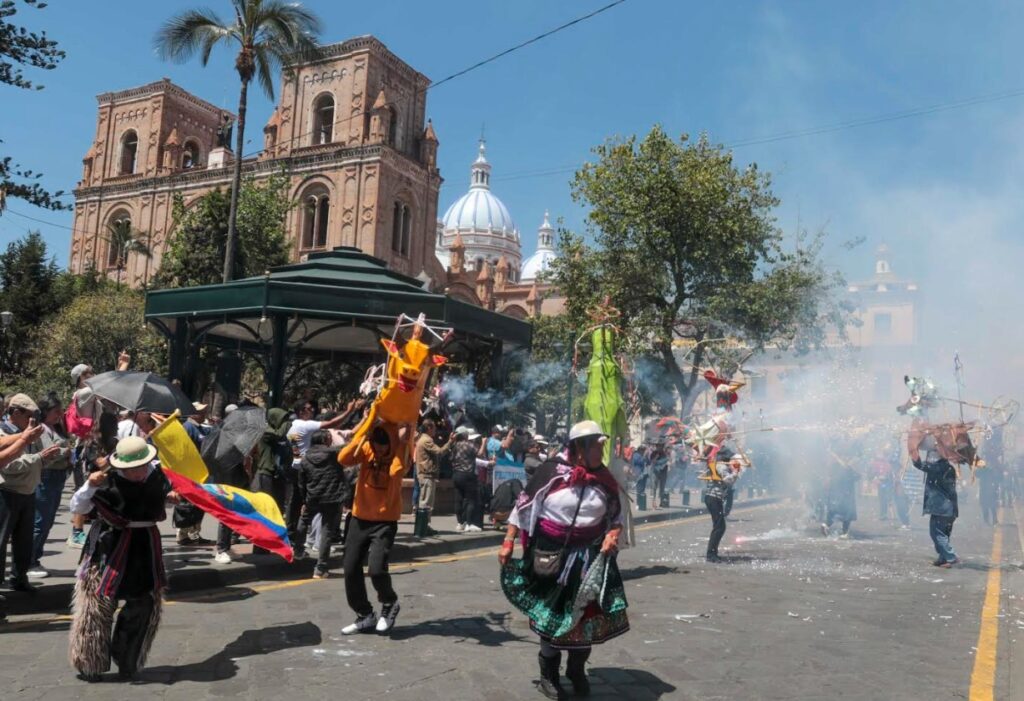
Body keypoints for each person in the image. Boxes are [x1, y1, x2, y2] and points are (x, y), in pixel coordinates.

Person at [499, 420, 629, 699]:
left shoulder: (604, 478)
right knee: (552, 614)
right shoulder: (551, 471)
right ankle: (548, 674)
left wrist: (612, 534)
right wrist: (508, 541)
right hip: (551, 553)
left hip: (589, 557)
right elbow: (522, 506)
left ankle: (576, 668)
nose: (601, 451)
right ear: (579, 447)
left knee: (585, 614)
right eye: (596, 446)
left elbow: (616, 516)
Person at [67, 436, 179, 681]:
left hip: (145, 546)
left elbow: (155, 499)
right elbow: (78, 507)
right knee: (97, 606)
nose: (138, 472)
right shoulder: (105, 481)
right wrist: (89, 486)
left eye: (142, 466)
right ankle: (91, 662)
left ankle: (127, 658)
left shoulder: (157, 476)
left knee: (143, 604)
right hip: (110, 545)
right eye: (132, 469)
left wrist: (169, 497)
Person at [338, 424, 409, 635]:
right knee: (350, 567)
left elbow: (397, 471)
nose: (378, 450)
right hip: (359, 518)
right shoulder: (367, 446)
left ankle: (390, 602)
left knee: (376, 569)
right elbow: (343, 458)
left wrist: (401, 444)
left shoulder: (400, 448)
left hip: (384, 521)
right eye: (375, 446)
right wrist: (362, 432)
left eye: (382, 447)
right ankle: (364, 614)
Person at [1, 395, 54, 592]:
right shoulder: (3, 432)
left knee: (24, 540)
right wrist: (38, 458)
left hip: (28, 490)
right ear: (15, 413)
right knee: (1, 540)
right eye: (29, 416)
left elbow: (44, 452)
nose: (32, 420)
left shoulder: (29, 432)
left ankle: (20, 578)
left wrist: (46, 456)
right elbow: (9, 466)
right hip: (7, 491)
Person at [27, 394, 73, 579]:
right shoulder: (41, 429)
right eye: (56, 411)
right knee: (40, 521)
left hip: (57, 477)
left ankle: (34, 558)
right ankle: (30, 561)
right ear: (45, 411)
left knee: (48, 521)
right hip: (46, 477)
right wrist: (65, 451)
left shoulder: (56, 429)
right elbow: (49, 453)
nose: (59, 415)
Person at [295, 430, 347, 578]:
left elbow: (301, 483)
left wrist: (304, 500)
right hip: (332, 497)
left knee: (304, 520)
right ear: (325, 440)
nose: (331, 440)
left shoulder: (305, 458)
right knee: (327, 532)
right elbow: (349, 447)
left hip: (312, 496)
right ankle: (321, 567)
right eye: (329, 438)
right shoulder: (334, 454)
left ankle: (298, 550)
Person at [909, 425, 960, 567]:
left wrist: (913, 452)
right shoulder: (948, 467)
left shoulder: (939, 467)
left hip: (942, 509)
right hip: (948, 509)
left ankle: (951, 557)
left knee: (936, 534)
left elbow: (921, 465)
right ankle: (943, 558)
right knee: (943, 535)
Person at [413, 419, 451, 537]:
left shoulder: (422, 439)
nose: (435, 430)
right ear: (429, 428)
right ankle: (421, 529)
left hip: (426, 474)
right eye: (434, 427)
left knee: (427, 502)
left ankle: (425, 527)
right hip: (426, 474)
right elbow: (439, 452)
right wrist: (450, 441)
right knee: (426, 503)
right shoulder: (426, 440)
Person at [702, 448, 741, 563]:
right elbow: (728, 481)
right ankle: (711, 554)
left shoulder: (718, 465)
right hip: (714, 498)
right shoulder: (721, 466)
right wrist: (735, 472)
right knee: (719, 527)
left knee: (719, 526)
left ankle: (713, 553)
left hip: (714, 498)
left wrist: (734, 471)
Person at [451, 428, 491, 532]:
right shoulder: (469, 445)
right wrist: (484, 443)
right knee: (470, 500)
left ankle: (460, 523)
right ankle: (468, 523)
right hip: (468, 474)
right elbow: (480, 454)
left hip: (456, 474)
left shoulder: (455, 445)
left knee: (458, 499)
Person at [823, 450, 859, 538]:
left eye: (847, 457)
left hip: (844, 494)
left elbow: (857, 476)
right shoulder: (837, 467)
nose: (846, 458)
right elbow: (835, 478)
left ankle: (841, 531)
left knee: (844, 514)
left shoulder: (848, 468)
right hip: (841, 494)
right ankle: (827, 526)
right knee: (838, 512)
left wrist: (850, 468)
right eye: (844, 456)